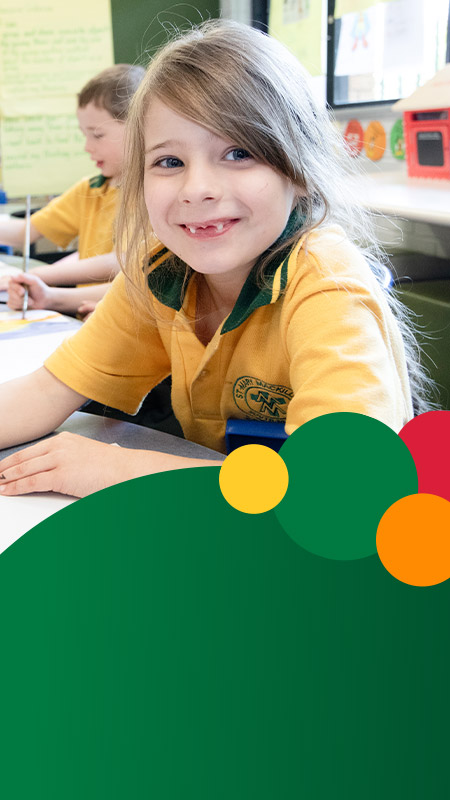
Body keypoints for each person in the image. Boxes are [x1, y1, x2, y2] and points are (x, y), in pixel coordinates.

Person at [0, 20, 432, 498]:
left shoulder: (326, 287)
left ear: (301, 170)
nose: (198, 189)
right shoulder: (161, 273)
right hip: (227, 529)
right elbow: (42, 393)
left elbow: (337, 490)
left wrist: (116, 469)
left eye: (239, 152)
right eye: (169, 162)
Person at [0, 63, 145, 317]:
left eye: (97, 135)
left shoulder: (151, 193)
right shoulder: (92, 189)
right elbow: (26, 231)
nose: (87, 147)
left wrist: (38, 278)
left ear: (139, 126)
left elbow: (122, 263)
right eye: (84, 135)